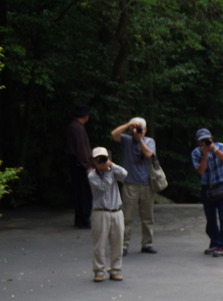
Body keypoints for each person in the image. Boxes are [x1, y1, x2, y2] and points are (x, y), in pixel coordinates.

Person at [110, 117, 157, 255]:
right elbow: (114, 134)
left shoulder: (149, 141)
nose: (136, 131)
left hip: (147, 184)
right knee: (126, 217)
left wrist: (140, 139)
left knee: (148, 217)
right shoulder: (126, 140)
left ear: (145, 130)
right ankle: (123, 245)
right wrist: (129, 125)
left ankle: (147, 244)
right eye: (134, 129)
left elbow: (148, 154)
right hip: (130, 183)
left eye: (140, 128)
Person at [86, 147, 126, 283]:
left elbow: (125, 174)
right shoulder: (92, 175)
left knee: (118, 243)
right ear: (94, 161)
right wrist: (107, 172)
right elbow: (104, 187)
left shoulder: (113, 170)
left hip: (116, 211)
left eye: (104, 158)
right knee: (99, 244)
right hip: (101, 212)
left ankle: (116, 270)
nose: (101, 161)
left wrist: (111, 165)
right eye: (99, 159)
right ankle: (99, 271)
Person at [191, 128, 223, 257]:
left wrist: (213, 149)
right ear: (198, 142)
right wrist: (205, 155)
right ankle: (214, 242)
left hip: (222, 186)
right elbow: (200, 171)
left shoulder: (220, 147)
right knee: (211, 219)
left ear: (212, 138)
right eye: (202, 141)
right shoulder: (196, 153)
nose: (205, 143)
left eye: (207, 140)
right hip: (207, 188)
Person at [66, 104, 93, 230]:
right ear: (85, 116)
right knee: (84, 193)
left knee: (79, 192)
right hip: (80, 164)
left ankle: (80, 219)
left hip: (75, 163)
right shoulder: (78, 129)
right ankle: (84, 220)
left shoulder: (73, 126)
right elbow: (81, 149)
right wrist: (87, 165)